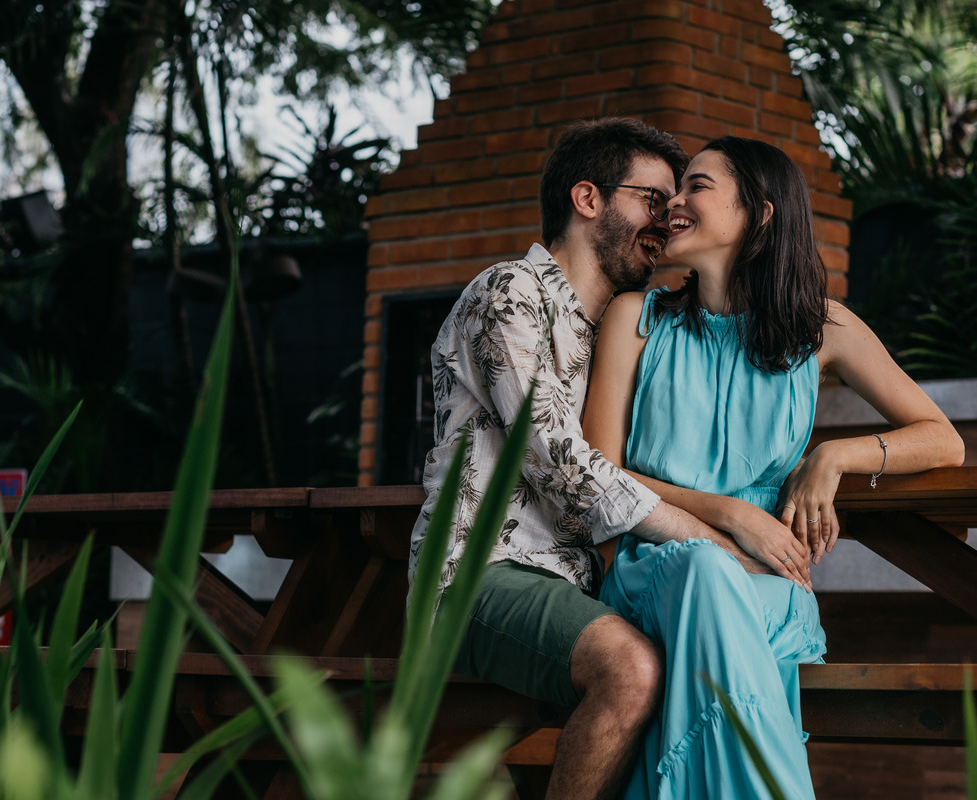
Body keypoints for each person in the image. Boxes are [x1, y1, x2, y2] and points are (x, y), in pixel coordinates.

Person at [407, 118, 807, 800]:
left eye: (677, 200)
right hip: (477, 575)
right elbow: (565, 463)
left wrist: (817, 465)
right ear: (588, 200)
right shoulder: (510, 294)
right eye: (652, 200)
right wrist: (723, 539)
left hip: (583, 587)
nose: (669, 215)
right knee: (634, 669)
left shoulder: (623, 330)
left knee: (701, 651)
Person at [584, 136, 965, 799]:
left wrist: (836, 455)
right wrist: (727, 515)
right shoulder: (635, 320)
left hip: (768, 582)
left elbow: (942, 438)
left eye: (696, 186)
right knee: (704, 568)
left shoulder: (824, 328)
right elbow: (600, 470)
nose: (672, 201)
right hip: (655, 572)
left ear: (760, 213)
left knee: (719, 590)